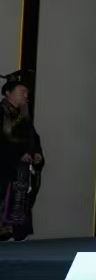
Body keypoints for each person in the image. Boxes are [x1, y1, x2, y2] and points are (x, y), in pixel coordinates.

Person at [0, 78, 43, 242]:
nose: (26, 96)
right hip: (4, 168)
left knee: (20, 202)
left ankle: (16, 234)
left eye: (27, 93)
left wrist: (36, 153)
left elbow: (33, 138)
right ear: (8, 93)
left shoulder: (23, 116)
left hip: (21, 170)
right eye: (22, 92)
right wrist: (17, 154)